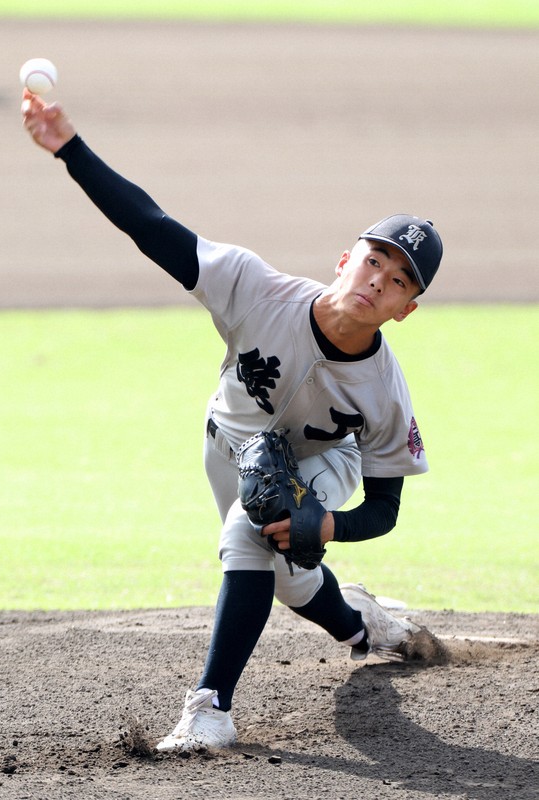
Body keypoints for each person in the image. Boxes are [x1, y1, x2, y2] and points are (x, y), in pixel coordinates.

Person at [22, 88, 443, 752]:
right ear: (344, 258)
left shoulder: (385, 392)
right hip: (226, 444)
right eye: (372, 260)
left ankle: (210, 707)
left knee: (252, 532)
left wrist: (327, 521)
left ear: (405, 310)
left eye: (397, 281)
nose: (376, 281)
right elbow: (151, 226)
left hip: (321, 462)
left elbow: (386, 506)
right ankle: (359, 624)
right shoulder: (252, 286)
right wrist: (68, 148)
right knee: (292, 582)